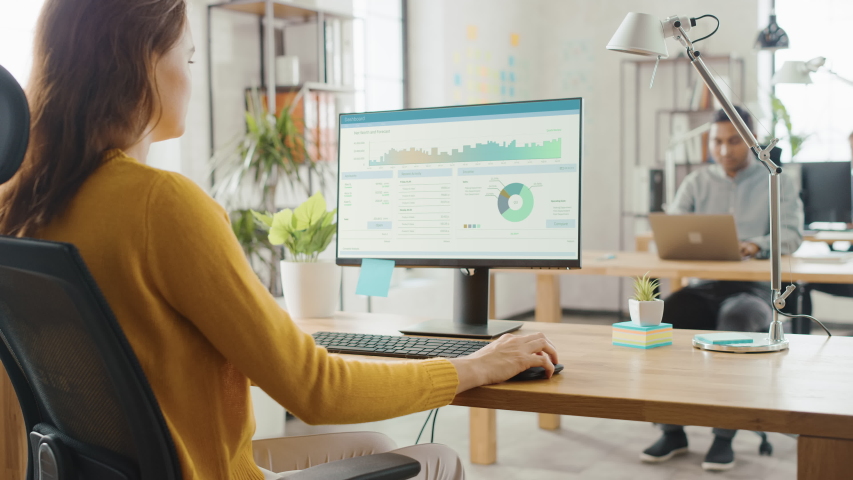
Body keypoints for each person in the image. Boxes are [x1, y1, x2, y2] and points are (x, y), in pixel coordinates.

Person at [0, 1, 560, 479]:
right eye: (189, 56)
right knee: (436, 457)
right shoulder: (160, 205)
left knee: (378, 449)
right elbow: (315, 390)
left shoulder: (18, 204)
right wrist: (476, 365)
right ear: (145, 61)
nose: (191, 76)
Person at [639, 106, 804, 472]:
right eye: (716, 141)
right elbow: (670, 230)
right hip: (706, 286)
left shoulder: (776, 179)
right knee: (666, 317)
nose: (724, 150)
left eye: (733, 141)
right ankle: (672, 430)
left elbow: (792, 234)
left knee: (736, 318)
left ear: (751, 141)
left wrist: (756, 245)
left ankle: (723, 436)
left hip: (756, 291)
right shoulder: (696, 182)